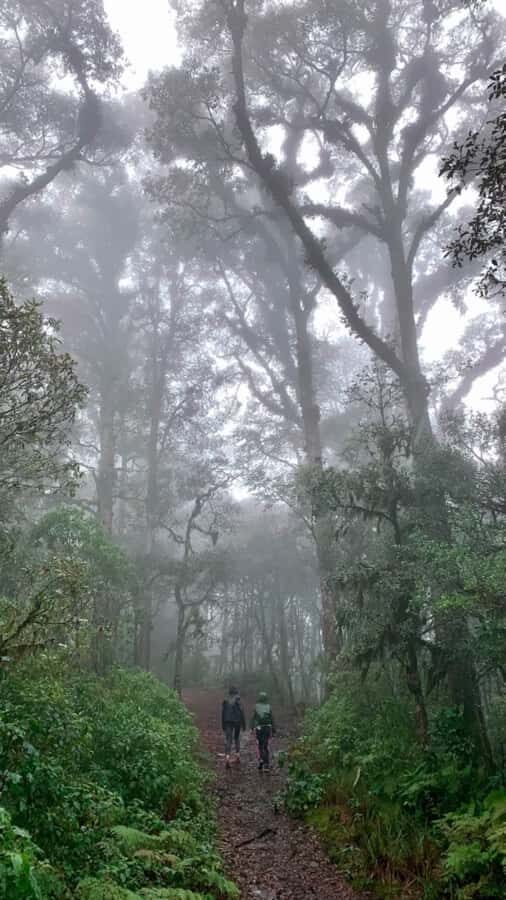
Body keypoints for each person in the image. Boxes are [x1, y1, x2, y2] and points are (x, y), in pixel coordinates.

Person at [250, 690, 276, 771]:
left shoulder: (256, 706)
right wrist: (274, 729)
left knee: (260, 745)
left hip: (259, 728)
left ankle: (261, 760)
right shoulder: (269, 706)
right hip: (267, 728)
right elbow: (272, 718)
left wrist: (251, 727)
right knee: (266, 745)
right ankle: (267, 765)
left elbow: (253, 717)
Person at [221, 686, 246, 768]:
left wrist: (223, 725)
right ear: (236, 692)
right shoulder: (238, 700)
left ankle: (227, 758)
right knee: (236, 738)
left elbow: (223, 714)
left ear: (229, 693)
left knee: (228, 739)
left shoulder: (225, 701)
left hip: (228, 722)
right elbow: (242, 712)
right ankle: (238, 756)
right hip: (237, 722)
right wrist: (244, 724)